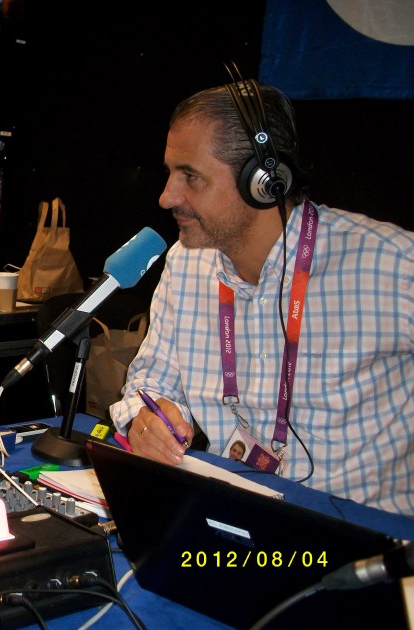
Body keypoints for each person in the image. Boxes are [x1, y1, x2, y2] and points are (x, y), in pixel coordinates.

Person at [110, 80, 414, 516]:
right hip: (232, 518)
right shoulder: (187, 261)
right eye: (170, 173)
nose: (166, 197)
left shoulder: (393, 265)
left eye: (190, 176)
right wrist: (149, 417)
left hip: (361, 536)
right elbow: (151, 380)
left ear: (263, 181)